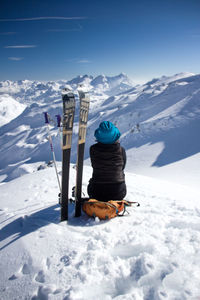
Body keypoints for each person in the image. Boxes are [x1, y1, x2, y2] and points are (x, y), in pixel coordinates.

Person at [87, 121, 127, 201]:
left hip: (96, 192)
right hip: (118, 192)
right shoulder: (121, 150)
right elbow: (122, 167)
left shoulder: (93, 149)